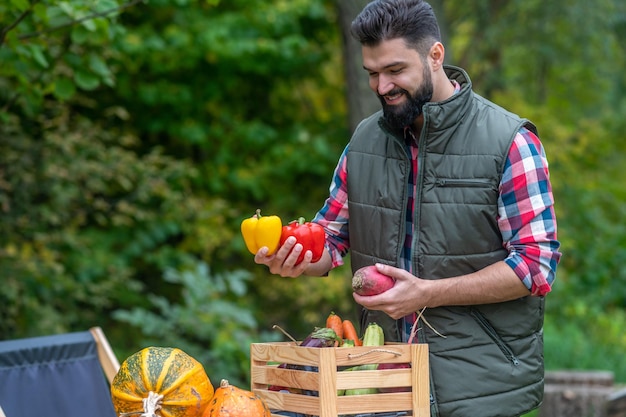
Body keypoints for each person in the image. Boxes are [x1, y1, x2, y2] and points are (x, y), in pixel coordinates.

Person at [254, 1, 562, 416]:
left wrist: (428, 294)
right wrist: (294, 258)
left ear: (435, 55)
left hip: (479, 389)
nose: (382, 87)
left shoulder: (509, 142)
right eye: (372, 74)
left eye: (395, 70)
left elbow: (535, 265)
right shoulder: (363, 142)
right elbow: (331, 238)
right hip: (382, 384)